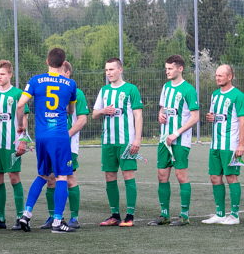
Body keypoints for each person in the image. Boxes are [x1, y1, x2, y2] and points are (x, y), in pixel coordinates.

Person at [15, 48, 78, 234]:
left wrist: (21, 125)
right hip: (59, 135)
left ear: (47, 62)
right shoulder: (70, 84)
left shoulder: (35, 80)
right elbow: (71, 110)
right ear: (64, 63)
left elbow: (20, 104)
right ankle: (58, 222)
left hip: (41, 135)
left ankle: (26, 214)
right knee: (62, 176)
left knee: (42, 175)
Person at [148, 54, 200, 226]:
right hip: (164, 139)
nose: (167, 72)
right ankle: (165, 215)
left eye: (170, 68)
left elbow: (195, 117)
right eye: (166, 68)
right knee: (162, 174)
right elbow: (163, 108)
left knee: (180, 175)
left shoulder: (188, 90)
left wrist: (176, 133)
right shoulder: (166, 87)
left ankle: (184, 215)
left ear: (180, 68)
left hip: (180, 139)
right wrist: (160, 115)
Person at [93, 58, 143, 227]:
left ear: (120, 70)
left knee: (128, 175)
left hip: (126, 142)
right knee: (109, 176)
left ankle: (129, 216)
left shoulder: (131, 89)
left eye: (112, 69)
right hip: (108, 142)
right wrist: (102, 111)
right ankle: (114, 215)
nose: (109, 73)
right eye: (106, 70)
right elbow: (94, 114)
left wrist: (137, 139)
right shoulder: (104, 90)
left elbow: (138, 115)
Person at [38, 61, 89, 229]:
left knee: (69, 178)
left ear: (67, 73)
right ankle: (53, 217)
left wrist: (66, 135)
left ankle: (74, 217)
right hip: (51, 142)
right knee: (50, 179)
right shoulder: (48, 90)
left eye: (60, 72)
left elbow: (82, 119)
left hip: (68, 144)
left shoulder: (76, 93)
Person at [0, 60, 28, 231]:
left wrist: (22, 140)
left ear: (10, 74)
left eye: (2, 74)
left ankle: (20, 217)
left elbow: (24, 117)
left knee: (14, 177)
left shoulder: (18, 93)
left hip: (11, 143)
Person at [203, 64, 244, 225]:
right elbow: (215, 115)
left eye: (221, 75)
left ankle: (234, 215)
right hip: (215, 144)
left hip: (231, 145)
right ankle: (220, 213)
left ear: (230, 77)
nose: (217, 78)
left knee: (231, 177)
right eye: (216, 76)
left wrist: (241, 145)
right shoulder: (214, 95)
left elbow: (242, 121)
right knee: (214, 177)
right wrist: (210, 117)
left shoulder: (238, 95)